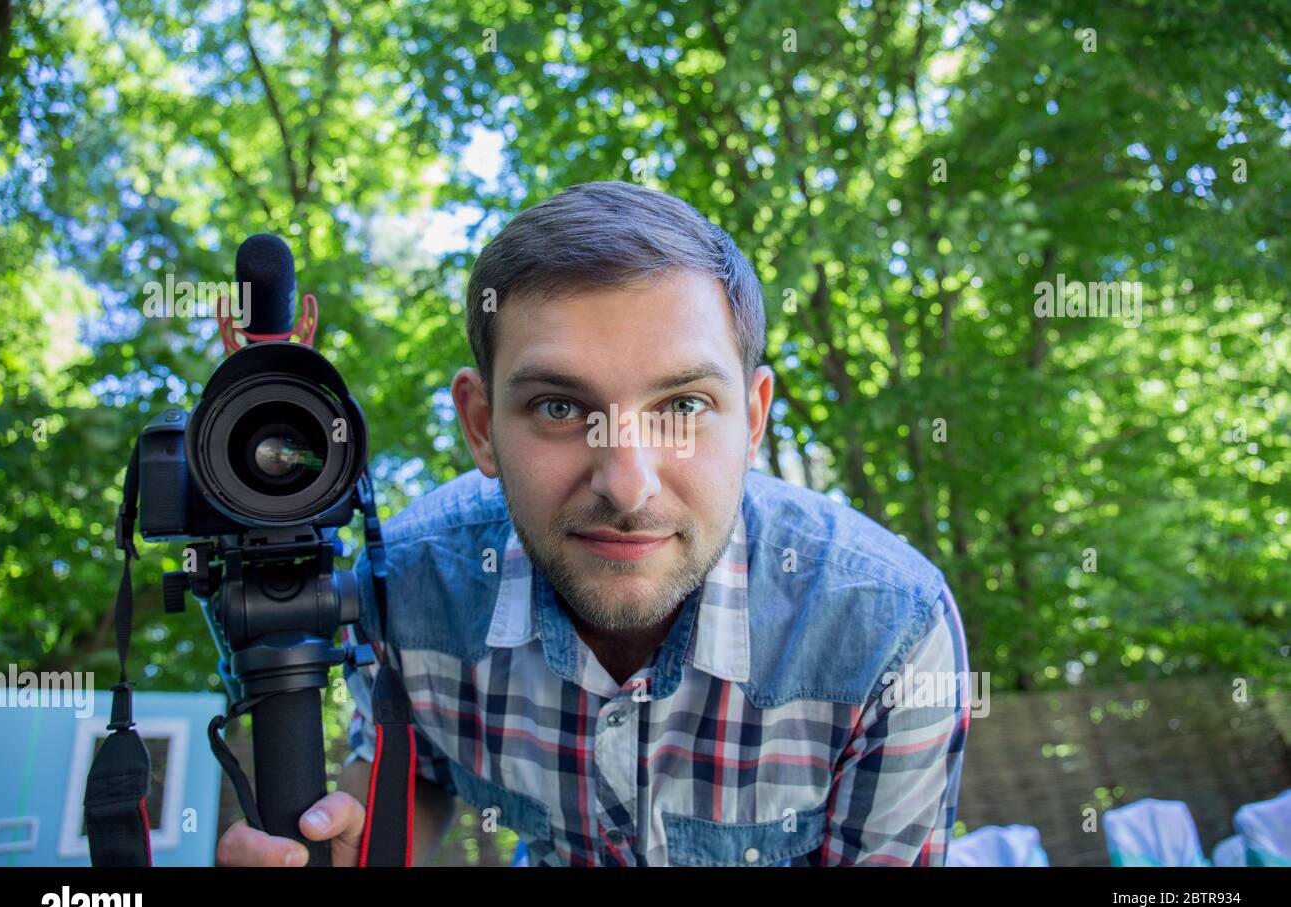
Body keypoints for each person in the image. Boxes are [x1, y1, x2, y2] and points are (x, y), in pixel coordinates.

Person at [216, 180, 970, 867]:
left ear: (753, 419)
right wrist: (356, 847)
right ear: (480, 426)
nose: (627, 486)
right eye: (559, 407)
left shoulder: (887, 634)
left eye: (681, 408)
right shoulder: (408, 587)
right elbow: (415, 769)